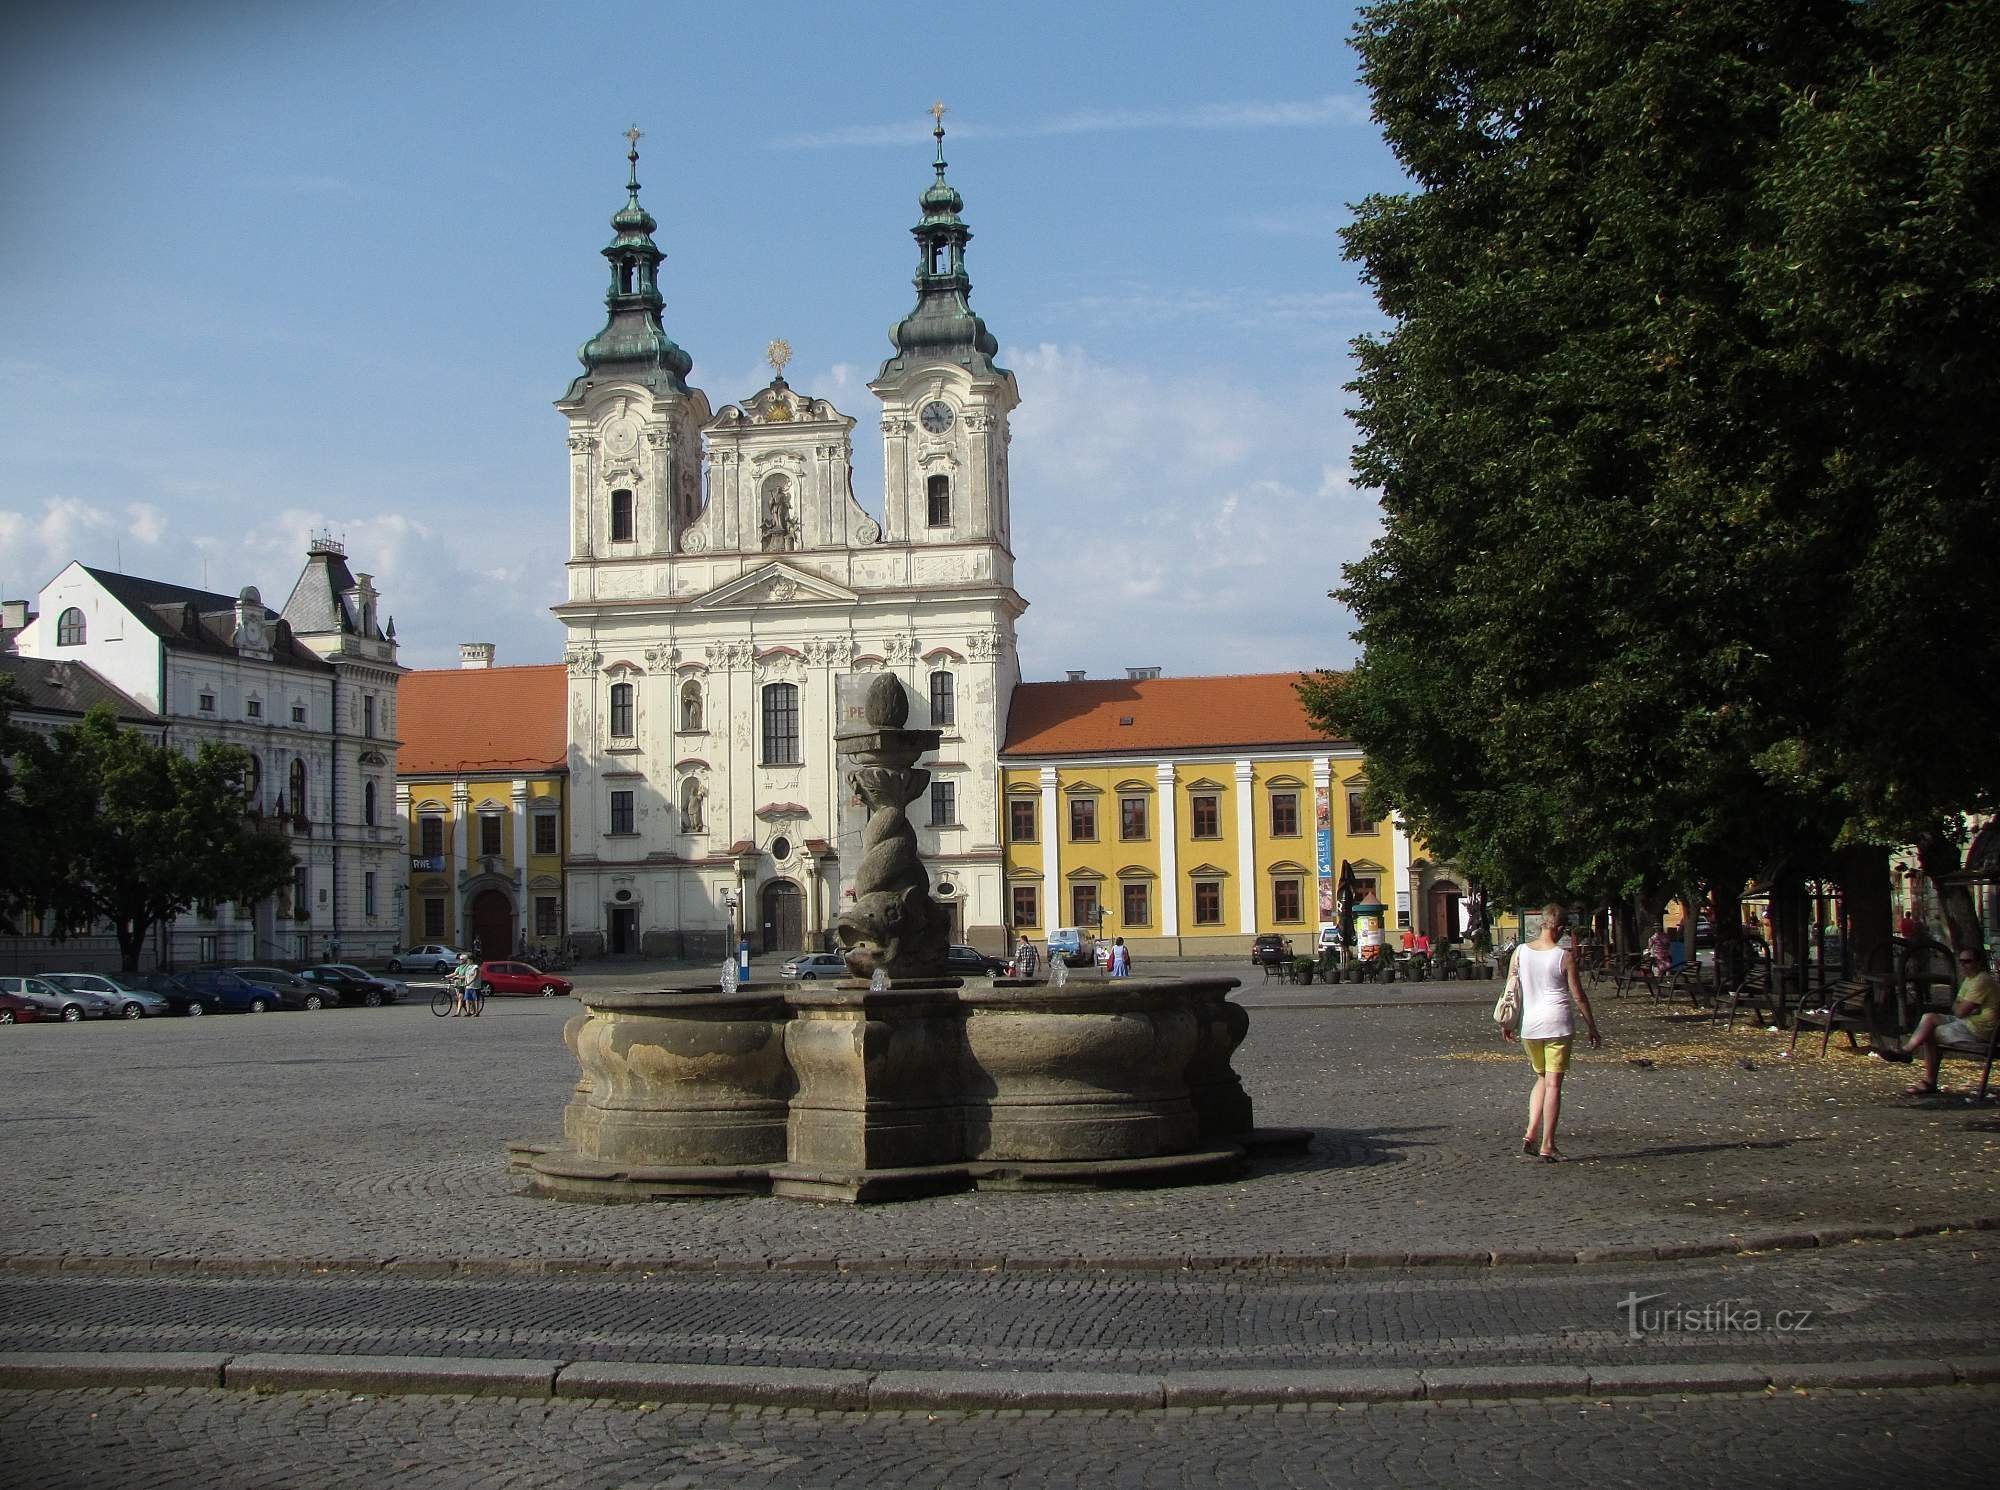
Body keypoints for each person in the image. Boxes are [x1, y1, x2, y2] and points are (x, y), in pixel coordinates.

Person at [1499, 902, 1603, 1161]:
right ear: (1558, 928)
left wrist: (1507, 1023)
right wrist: (1592, 1026)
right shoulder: (1563, 956)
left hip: (1530, 1026)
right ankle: (1548, 1144)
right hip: (1557, 1024)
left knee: (1542, 1078)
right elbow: (1578, 996)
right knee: (1554, 1083)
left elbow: (1511, 989)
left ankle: (1531, 1132)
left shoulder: (1521, 952)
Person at [1872, 948, 2000, 1094]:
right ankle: (1907, 1051)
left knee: (1929, 1033)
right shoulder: (1969, 980)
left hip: (1980, 1029)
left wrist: (1965, 1008)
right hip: (1968, 1021)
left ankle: (1929, 1081)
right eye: (1961, 961)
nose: (1964, 965)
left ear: (1978, 963)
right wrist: (1968, 1008)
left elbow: (1960, 1010)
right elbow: (1956, 1007)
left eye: (1968, 961)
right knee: (1929, 1017)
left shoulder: (1982, 980)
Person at [449, 952, 478, 1017]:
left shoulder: (468, 967)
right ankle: (459, 1012)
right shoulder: (460, 967)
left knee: (468, 999)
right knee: (461, 998)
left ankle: (473, 1011)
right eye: (459, 959)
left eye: (461, 959)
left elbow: (467, 976)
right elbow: (455, 973)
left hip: (467, 984)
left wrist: (458, 977)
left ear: (465, 960)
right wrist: (447, 976)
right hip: (461, 985)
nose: (459, 960)